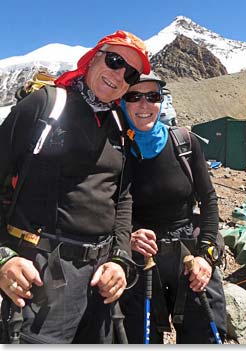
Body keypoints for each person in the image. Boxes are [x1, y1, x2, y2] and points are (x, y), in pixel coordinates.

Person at [0, 30, 150, 344]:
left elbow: (122, 198)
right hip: (41, 278)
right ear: (94, 57)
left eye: (131, 73)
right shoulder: (46, 106)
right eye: (114, 60)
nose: (119, 74)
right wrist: (3, 257)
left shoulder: (119, 128)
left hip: (100, 285)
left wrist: (120, 260)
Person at [119, 71, 227, 344]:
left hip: (189, 251)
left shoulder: (185, 143)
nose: (145, 105)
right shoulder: (115, 151)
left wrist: (206, 256)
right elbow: (107, 206)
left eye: (153, 96)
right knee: (138, 337)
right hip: (139, 255)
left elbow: (209, 200)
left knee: (203, 333)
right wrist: (129, 235)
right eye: (134, 96)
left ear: (161, 101)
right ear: (122, 102)